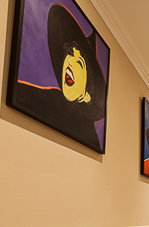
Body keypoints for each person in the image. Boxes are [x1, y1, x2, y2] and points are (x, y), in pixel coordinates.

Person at [12, 4, 107, 153]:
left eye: (79, 62)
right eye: (68, 53)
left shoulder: (91, 139)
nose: (69, 62)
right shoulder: (49, 98)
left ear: (89, 90)